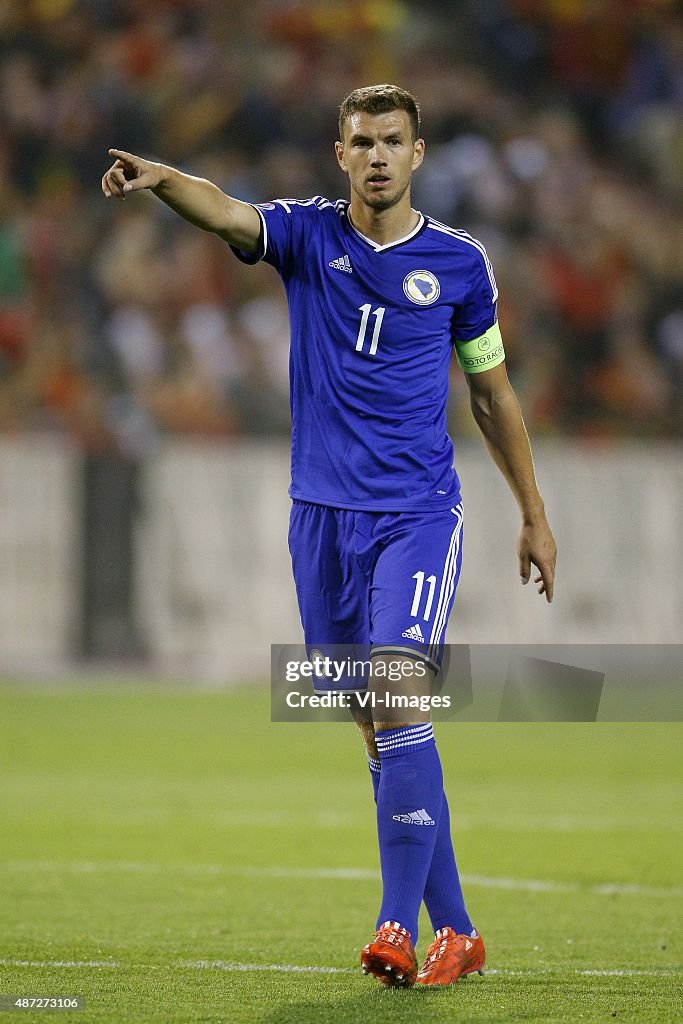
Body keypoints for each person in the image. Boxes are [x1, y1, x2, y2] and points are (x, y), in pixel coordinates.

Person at [102, 84, 556, 988]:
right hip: (319, 519)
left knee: (396, 690)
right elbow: (226, 209)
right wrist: (161, 181)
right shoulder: (307, 237)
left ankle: (393, 924)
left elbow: (491, 393)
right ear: (338, 152)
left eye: (393, 140)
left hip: (417, 514)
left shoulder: (460, 266)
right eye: (362, 141)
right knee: (376, 727)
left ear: (417, 153)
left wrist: (533, 513)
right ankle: (457, 932)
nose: (378, 155)